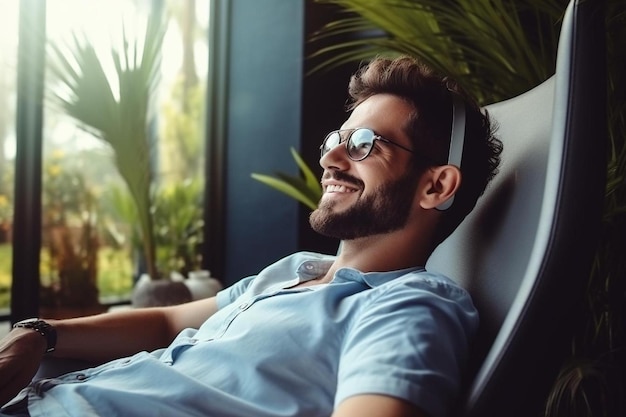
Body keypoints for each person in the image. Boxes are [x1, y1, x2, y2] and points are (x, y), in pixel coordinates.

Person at [0, 55, 502, 417]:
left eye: (366, 144)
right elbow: (168, 322)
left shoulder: (409, 305)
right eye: (337, 140)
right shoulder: (295, 270)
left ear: (436, 185)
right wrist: (38, 334)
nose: (330, 158)